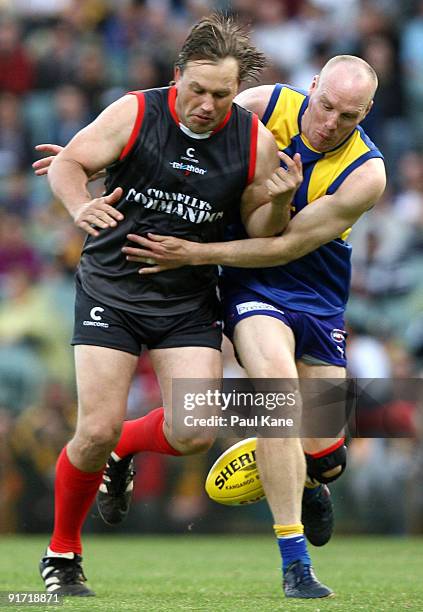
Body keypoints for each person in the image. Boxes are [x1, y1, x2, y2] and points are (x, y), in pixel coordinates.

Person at [36, 13, 318, 599]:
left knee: (195, 430)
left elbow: (262, 230)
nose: (206, 104)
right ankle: (63, 553)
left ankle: (125, 449)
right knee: (93, 428)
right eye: (196, 89)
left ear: (236, 93)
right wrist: (77, 206)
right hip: (112, 288)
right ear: (176, 77)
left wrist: (279, 200)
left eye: (221, 94)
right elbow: (68, 164)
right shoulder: (135, 111)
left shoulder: (252, 142)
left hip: (187, 297)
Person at [92, 55, 386, 597]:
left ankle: (129, 442)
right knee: (277, 393)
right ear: (312, 87)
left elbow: (286, 245)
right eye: (325, 106)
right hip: (251, 284)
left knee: (328, 457)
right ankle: (294, 562)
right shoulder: (263, 105)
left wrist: (195, 250)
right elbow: (182, 108)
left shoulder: (367, 174)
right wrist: (91, 151)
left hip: (315, 292)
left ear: (366, 113)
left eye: (348, 117)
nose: (329, 124)